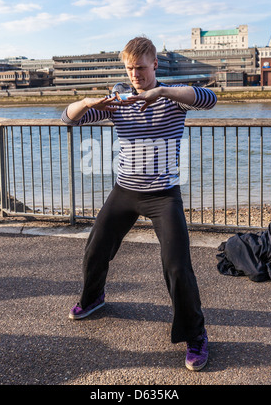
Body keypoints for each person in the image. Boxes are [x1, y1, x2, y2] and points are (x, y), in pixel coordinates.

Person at [61, 36, 217, 371]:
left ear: (155, 65)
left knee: (177, 266)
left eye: (141, 68)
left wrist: (160, 92)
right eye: (130, 69)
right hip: (125, 191)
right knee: (95, 249)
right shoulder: (119, 102)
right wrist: (89, 102)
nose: (136, 75)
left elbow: (209, 99)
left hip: (163, 195)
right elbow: (69, 119)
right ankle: (93, 299)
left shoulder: (173, 100)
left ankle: (196, 336)